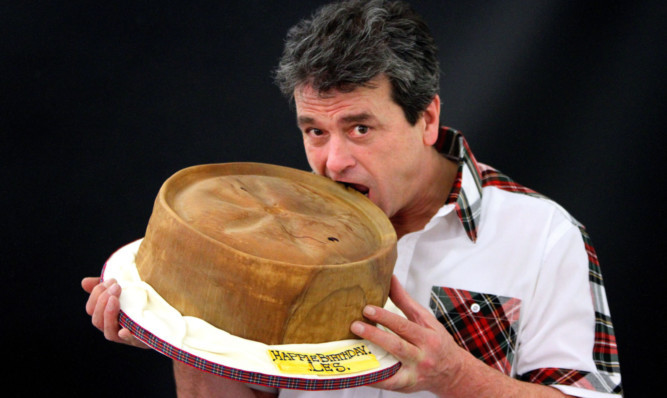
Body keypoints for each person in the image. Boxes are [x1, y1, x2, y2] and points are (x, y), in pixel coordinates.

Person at [82, 0, 622, 397]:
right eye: (315, 131)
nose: (333, 162)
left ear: (427, 118)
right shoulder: (268, 232)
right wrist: (186, 336)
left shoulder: (544, 235)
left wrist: (452, 373)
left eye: (360, 128)